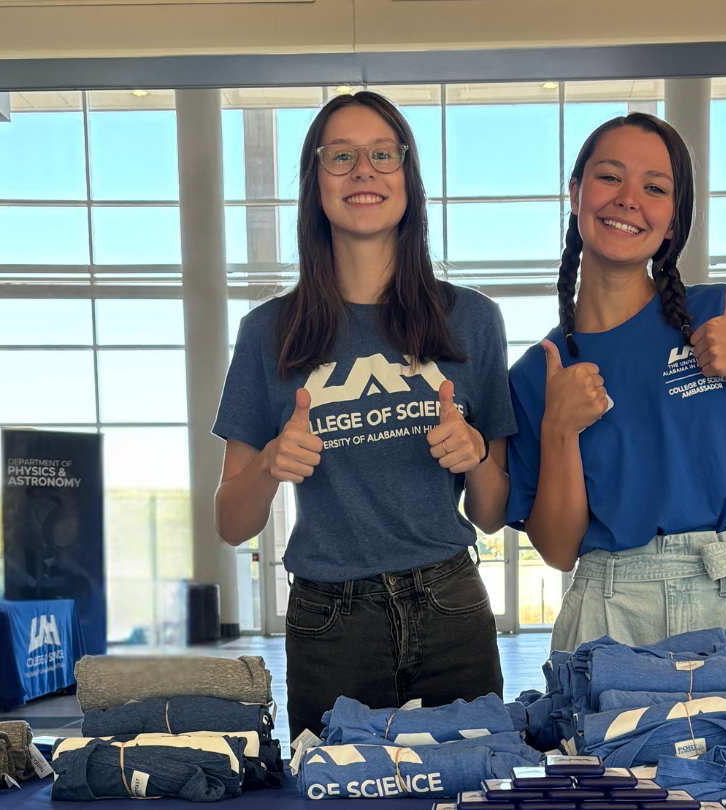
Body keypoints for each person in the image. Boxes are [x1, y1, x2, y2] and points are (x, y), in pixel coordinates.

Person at [212, 91, 516, 739]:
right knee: (333, 782)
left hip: (451, 606)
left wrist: (475, 453)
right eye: (340, 156)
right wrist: (269, 464)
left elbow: (491, 512)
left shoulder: (471, 319)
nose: (363, 171)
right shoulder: (267, 332)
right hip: (330, 622)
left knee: (470, 781)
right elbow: (231, 522)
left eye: (383, 154)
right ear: (315, 181)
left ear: (407, 176)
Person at [505, 113, 726, 659]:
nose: (628, 199)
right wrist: (559, 430)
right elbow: (557, 550)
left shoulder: (720, 316)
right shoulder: (540, 371)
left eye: (654, 188)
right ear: (575, 193)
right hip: (612, 609)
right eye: (609, 177)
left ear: (672, 221)